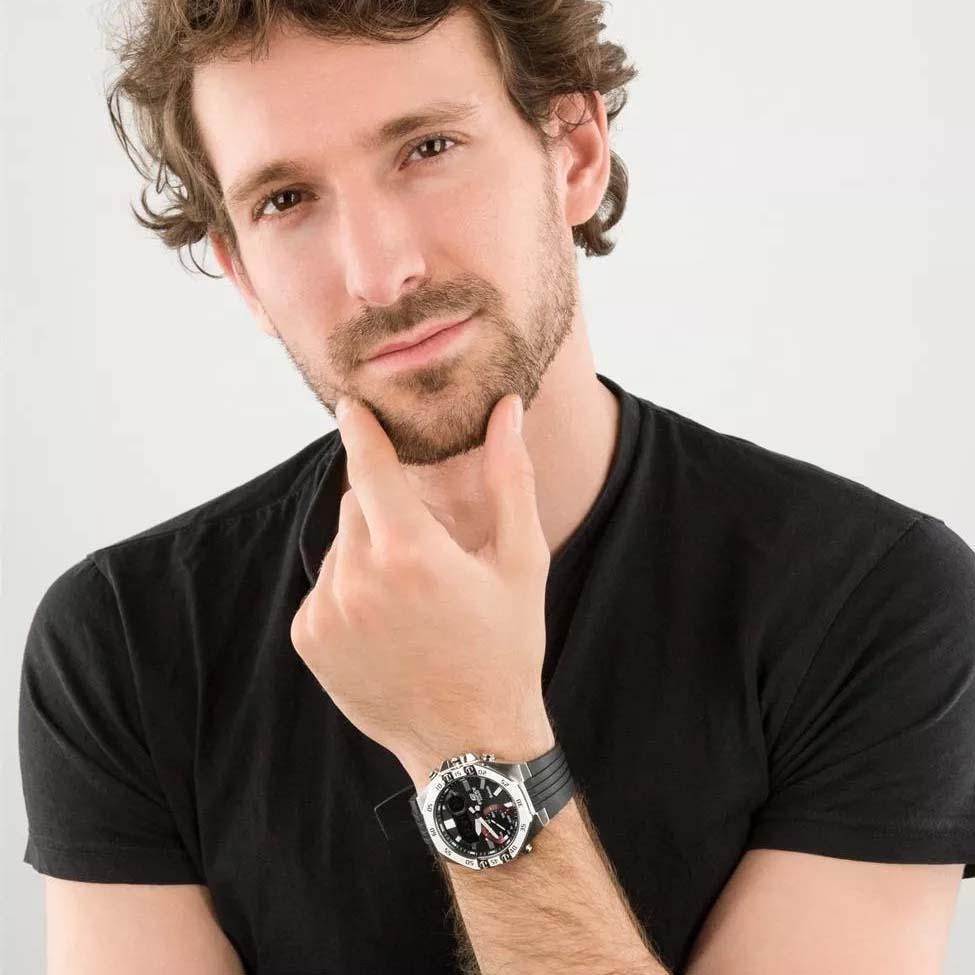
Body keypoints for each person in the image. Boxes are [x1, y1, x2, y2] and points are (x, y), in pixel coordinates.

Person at [19, 4, 974, 974]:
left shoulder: (877, 603)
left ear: (574, 155)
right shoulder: (126, 638)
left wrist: (469, 740)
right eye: (286, 199)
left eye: (427, 149)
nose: (380, 271)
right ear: (243, 276)